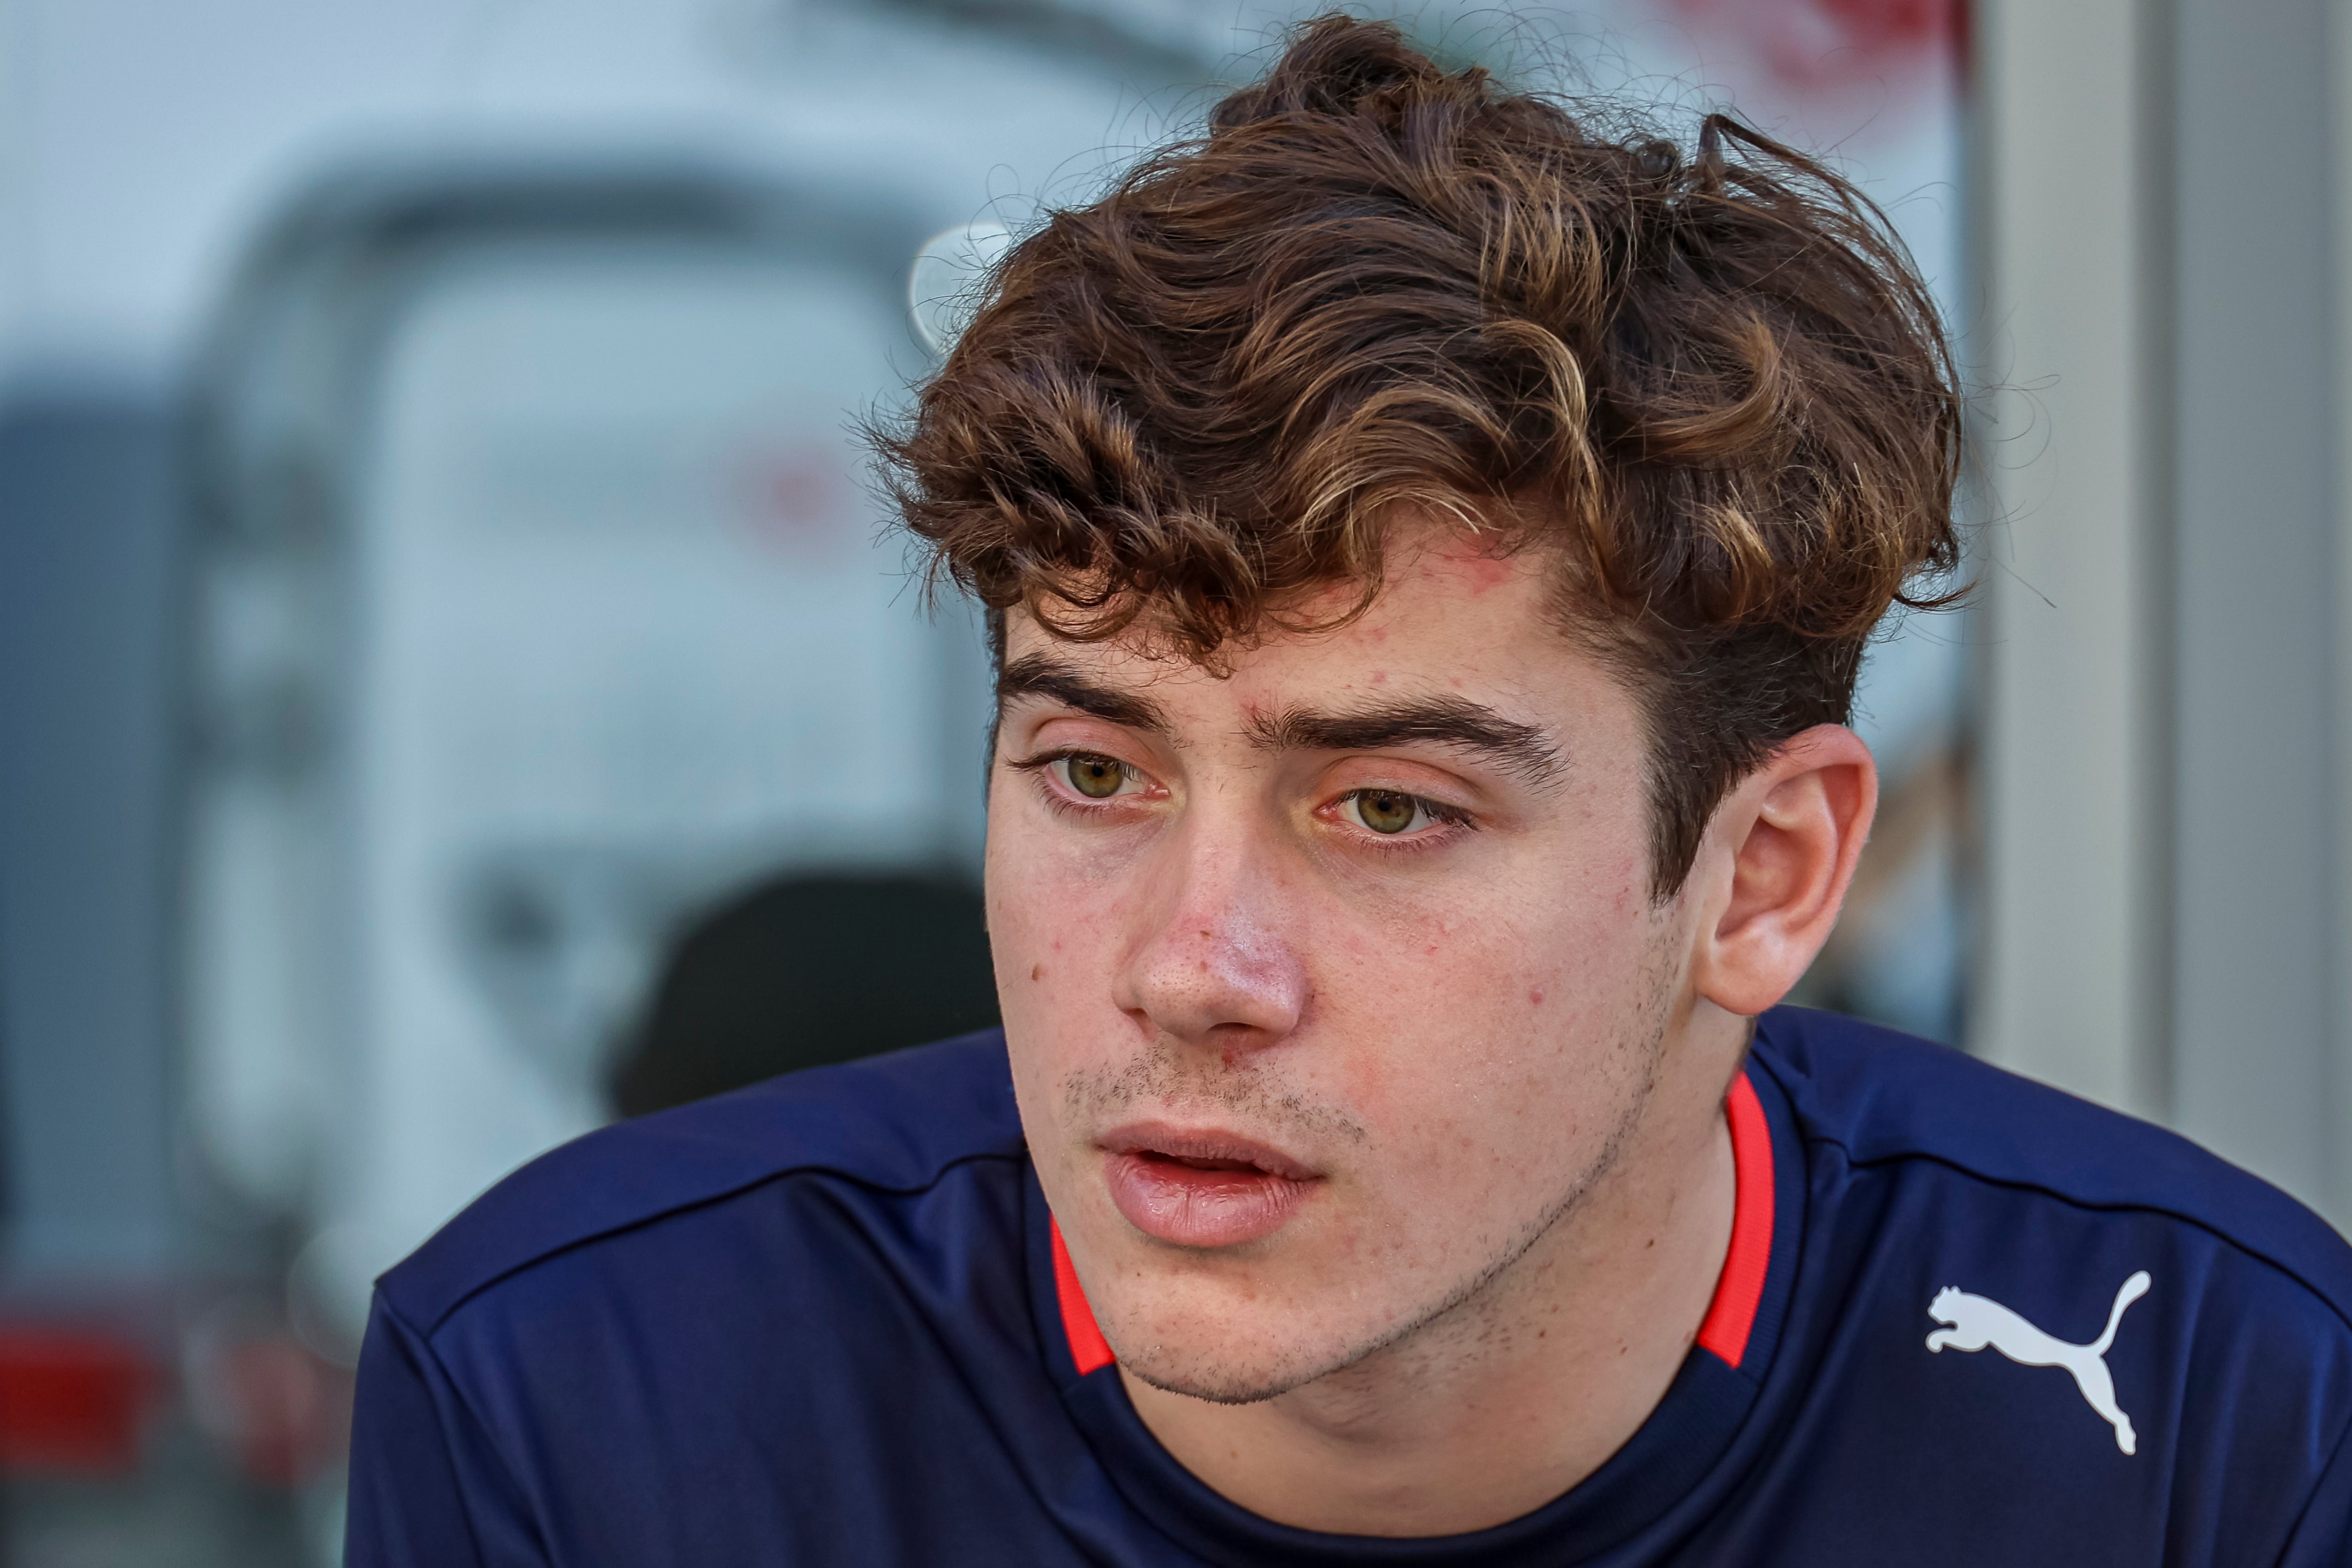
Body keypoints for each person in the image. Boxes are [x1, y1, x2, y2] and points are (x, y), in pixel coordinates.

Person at [344, 18, 2352, 1564]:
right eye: (1091, 768)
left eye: (1386, 807)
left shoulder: (2202, 1407)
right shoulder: (594, 1399)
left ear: (1762, 873)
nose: (1188, 970)